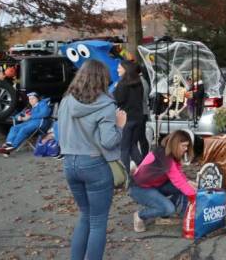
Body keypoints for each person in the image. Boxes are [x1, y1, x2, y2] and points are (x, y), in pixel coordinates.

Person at [57, 59, 126, 260]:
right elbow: (109, 141)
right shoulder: (106, 104)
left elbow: (60, 131)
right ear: (103, 79)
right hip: (95, 164)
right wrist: (120, 125)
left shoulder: (66, 101)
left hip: (70, 163)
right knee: (97, 221)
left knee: (85, 216)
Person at [129, 130, 197, 233]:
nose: (186, 149)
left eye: (187, 146)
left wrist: (188, 182)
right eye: (184, 146)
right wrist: (195, 196)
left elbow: (178, 173)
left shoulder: (169, 153)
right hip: (139, 188)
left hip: (154, 185)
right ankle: (139, 215)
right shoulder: (164, 157)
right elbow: (178, 181)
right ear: (176, 144)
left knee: (186, 188)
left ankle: (169, 215)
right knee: (169, 208)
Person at [114, 60, 146, 172]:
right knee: (132, 146)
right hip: (138, 118)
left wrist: (115, 89)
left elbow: (118, 100)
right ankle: (145, 172)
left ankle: (125, 176)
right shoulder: (138, 83)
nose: (117, 69)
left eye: (119, 67)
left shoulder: (122, 84)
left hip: (126, 120)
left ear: (126, 69)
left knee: (124, 149)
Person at [0, 92, 52, 157]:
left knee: (24, 129)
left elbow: (45, 113)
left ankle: (13, 146)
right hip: (29, 123)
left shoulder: (42, 104)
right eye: (29, 99)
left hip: (40, 123)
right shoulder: (29, 108)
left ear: (37, 99)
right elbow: (17, 115)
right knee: (14, 128)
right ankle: (8, 144)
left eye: (33, 98)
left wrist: (30, 116)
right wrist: (19, 117)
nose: (31, 100)